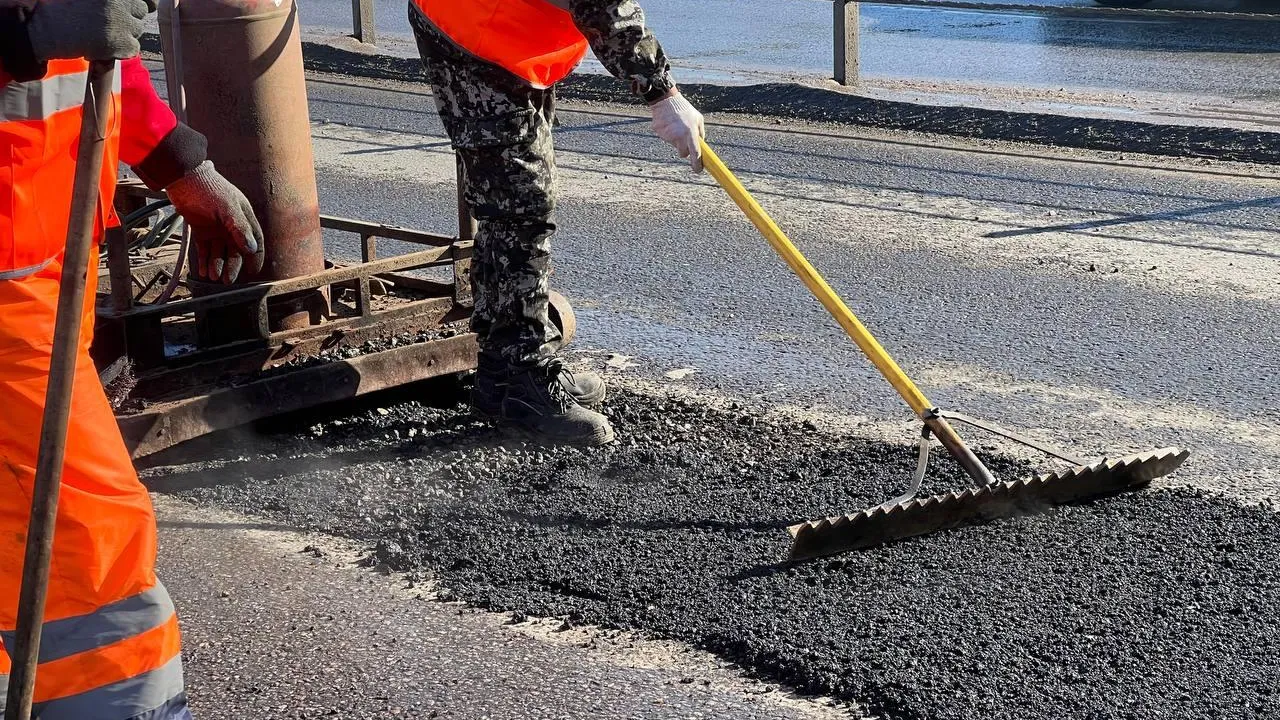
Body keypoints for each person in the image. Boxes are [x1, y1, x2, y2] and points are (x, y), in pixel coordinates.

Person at [0, 1, 263, 717]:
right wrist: (20, 35)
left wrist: (174, 159)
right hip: (11, 299)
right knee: (91, 543)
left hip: (44, 272)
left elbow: (92, 56)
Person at [409, 0, 706, 446]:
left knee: (511, 206)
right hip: (472, 31)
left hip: (509, 39)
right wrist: (661, 92)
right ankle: (526, 385)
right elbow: (601, 5)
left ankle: (500, 375)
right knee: (522, 207)